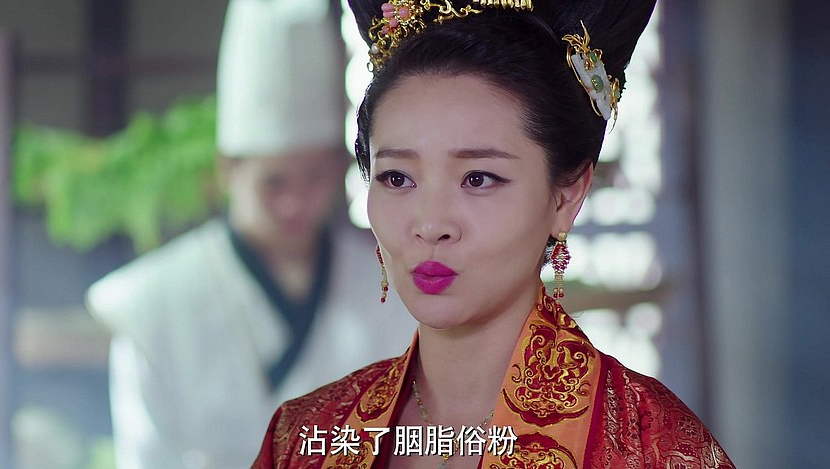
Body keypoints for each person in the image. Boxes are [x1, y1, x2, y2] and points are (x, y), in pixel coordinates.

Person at [251, 0, 736, 468]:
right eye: (397, 178)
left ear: (565, 198)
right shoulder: (301, 439)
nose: (430, 225)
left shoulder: (653, 448)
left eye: (478, 179)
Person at [85, 0, 416, 468]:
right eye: (273, 183)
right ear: (228, 171)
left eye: (315, 177)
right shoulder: (156, 303)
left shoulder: (388, 287)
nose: (295, 202)